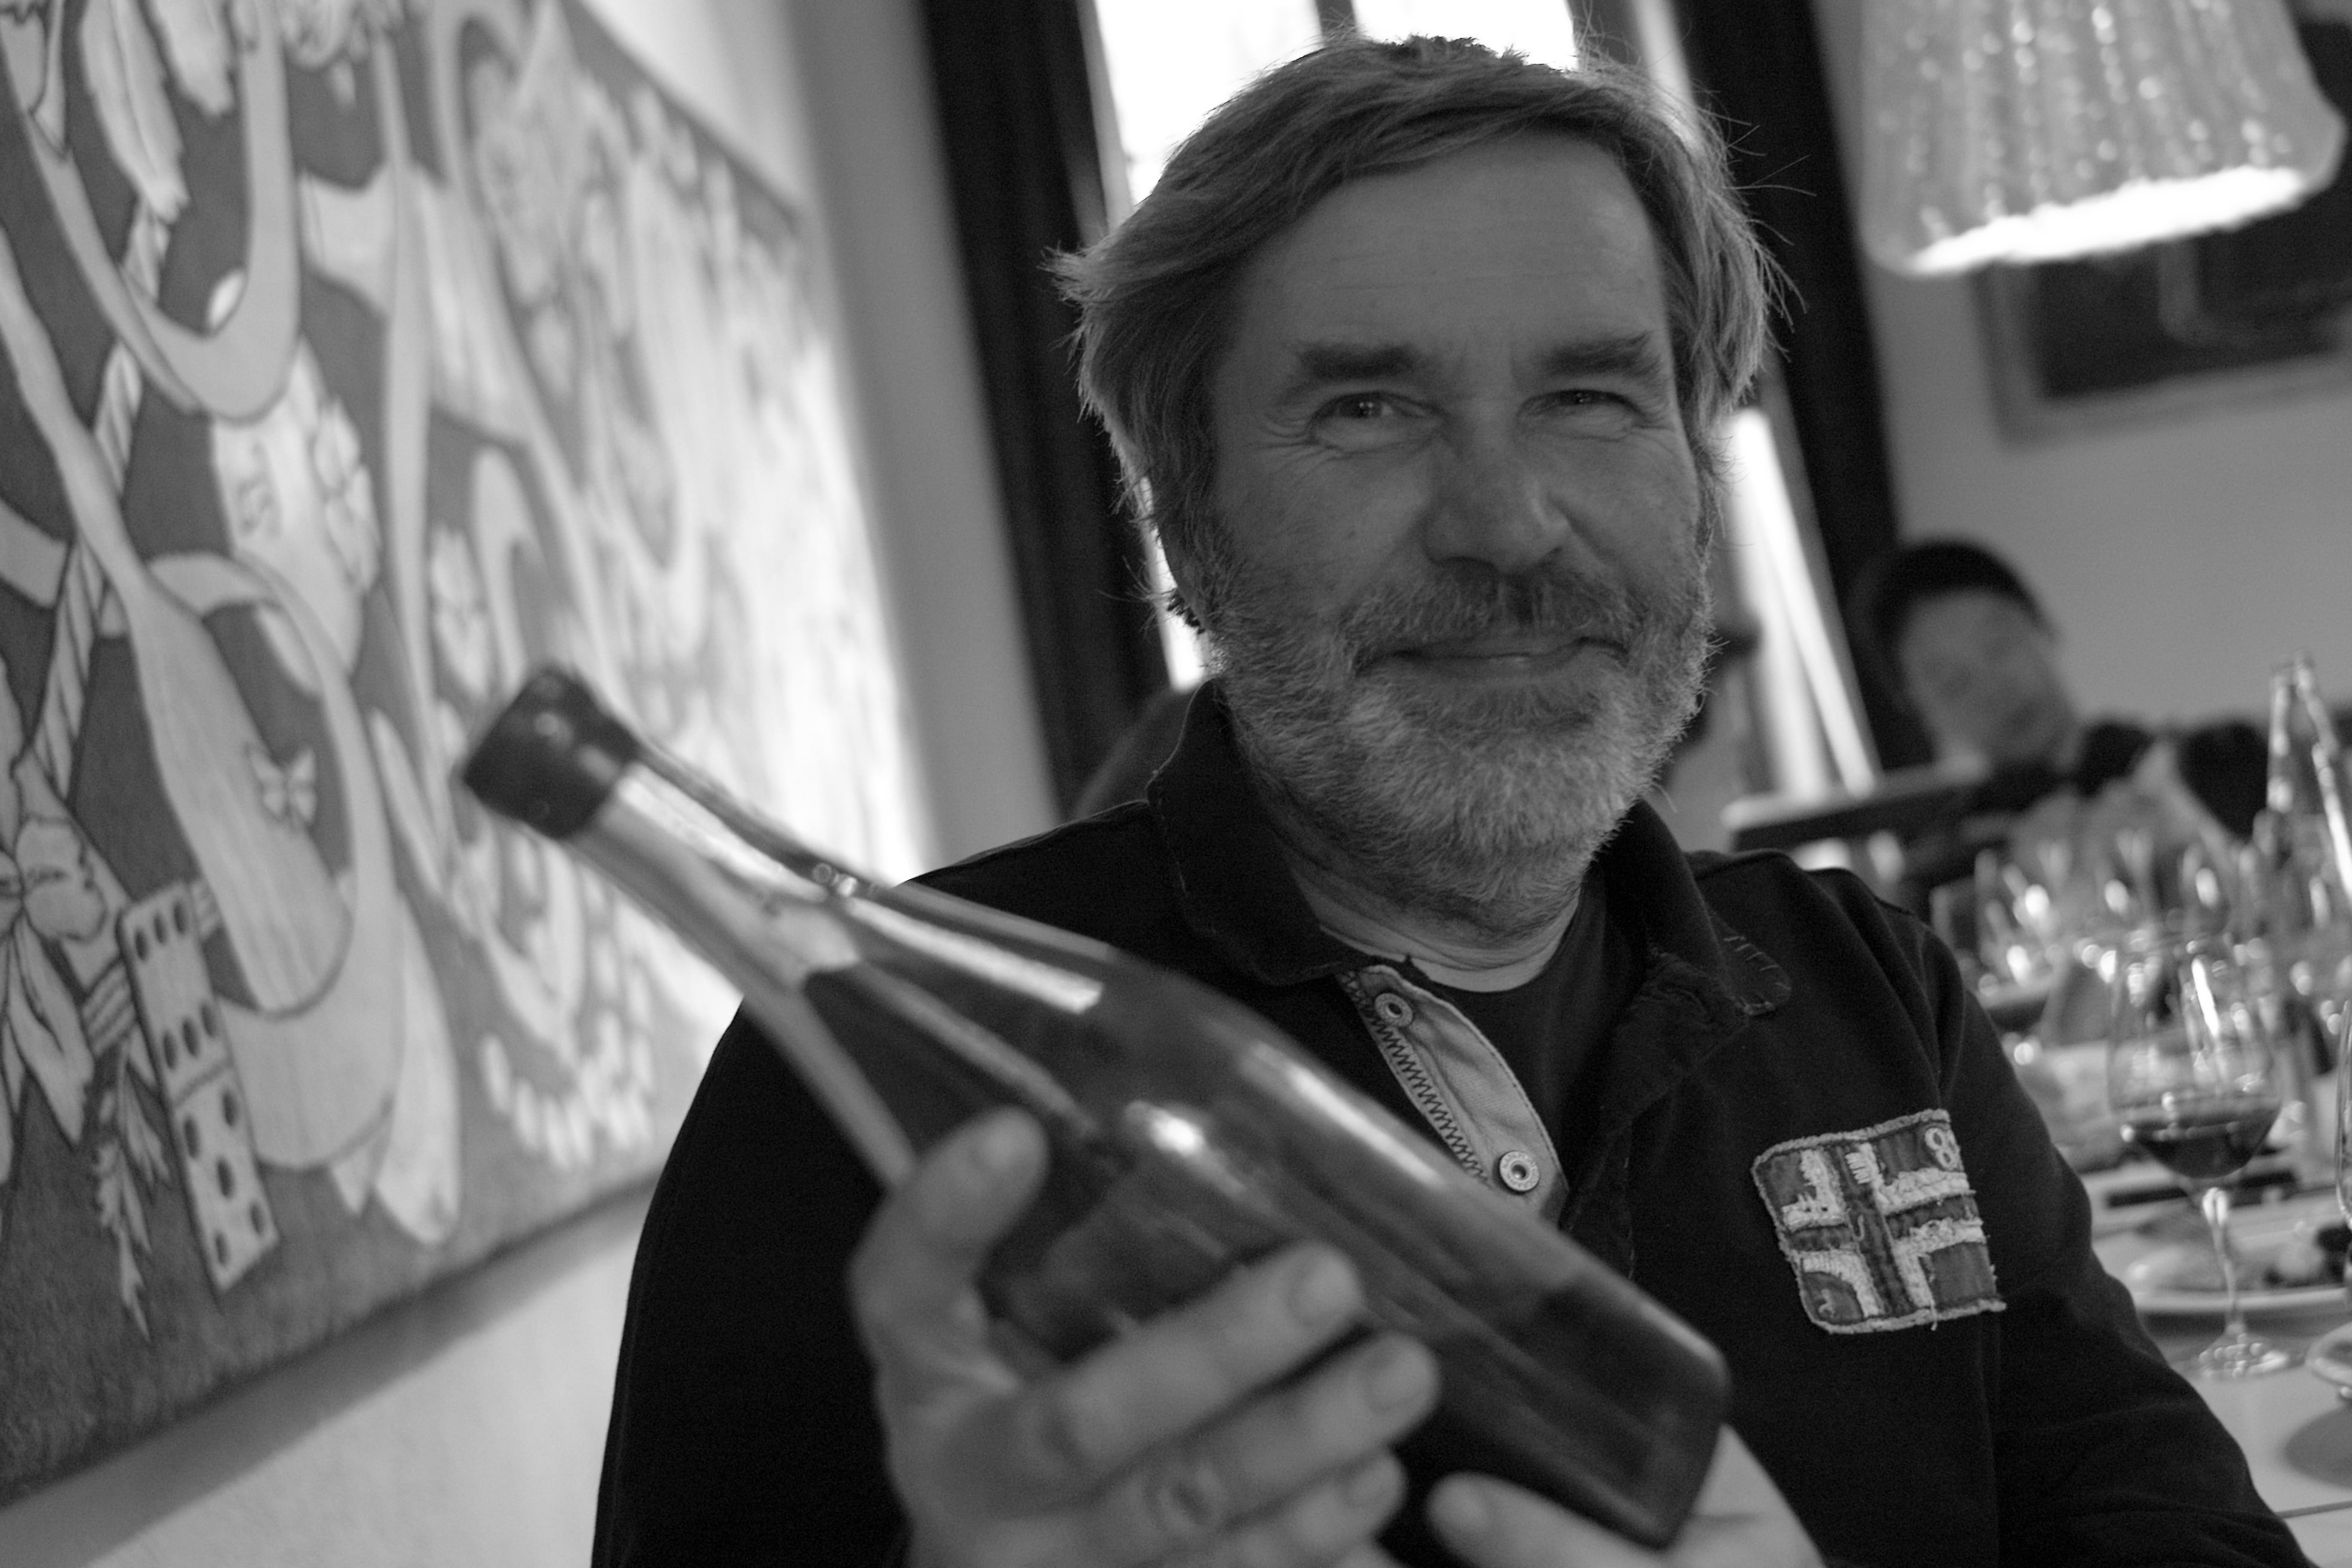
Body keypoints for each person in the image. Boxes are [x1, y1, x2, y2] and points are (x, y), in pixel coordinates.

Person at [591, 39, 2302, 1568]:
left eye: (1590, 396)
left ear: (1695, 478)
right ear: (1183, 521)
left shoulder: (1872, 992)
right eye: (1367, 408)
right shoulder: (878, 1071)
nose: (1506, 521)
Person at [1849, 538, 2267, 844]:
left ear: (2042, 625)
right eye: (1952, 683)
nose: (1993, 689)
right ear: (1919, 711)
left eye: (1997, 647)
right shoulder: (1952, 864)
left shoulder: (2210, 765)